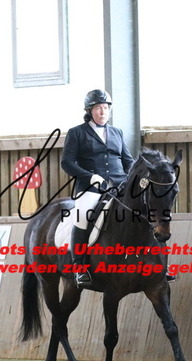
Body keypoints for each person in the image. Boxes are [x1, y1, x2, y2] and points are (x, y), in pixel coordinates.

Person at [61, 89, 134, 287]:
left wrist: (136, 178)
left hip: (119, 185)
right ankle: (80, 267)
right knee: (82, 216)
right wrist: (89, 176)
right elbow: (67, 162)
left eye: (105, 108)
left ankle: (158, 265)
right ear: (89, 111)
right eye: (98, 108)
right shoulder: (77, 133)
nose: (103, 112)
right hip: (90, 187)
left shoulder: (117, 132)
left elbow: (128, 161)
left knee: (145, 213)